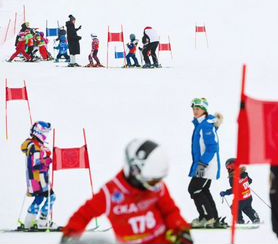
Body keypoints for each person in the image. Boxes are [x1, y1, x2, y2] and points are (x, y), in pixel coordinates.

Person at [62, 139, 193, 244]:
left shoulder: (157, 188)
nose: (157, 185)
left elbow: (170, 211)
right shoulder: (110, 193)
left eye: (158, 180)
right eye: (152, 181)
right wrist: (70, 235)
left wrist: (179, 230)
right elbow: (84, 214)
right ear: (136, 172)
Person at [188, 98, 225, 228]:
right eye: (193, 109)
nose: (195, 111)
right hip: (203, 165)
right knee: (202, 189)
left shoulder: (206, 125)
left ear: (204, 110)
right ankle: (211, 217)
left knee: (195, 189)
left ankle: (208, 218)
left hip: (207, 166)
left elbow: (212, 147)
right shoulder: (202, 124)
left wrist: (202, 164)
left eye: (197, 109)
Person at [20, 122, 57, 230]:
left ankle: (29, 222)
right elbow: (34, 164)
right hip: (38, 178)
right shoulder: (35, 147)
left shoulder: (36, 145)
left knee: (39, 198)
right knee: (52, 197)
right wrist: (47, 161)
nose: (46, 134)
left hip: (37, 178)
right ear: (39, 132)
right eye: (45, 132)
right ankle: (43, 220)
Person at [220, 158, 260, 224]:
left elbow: (234, 189)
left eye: (228, 167)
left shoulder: (234, 176)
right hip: (248, 197)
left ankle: (240, 221)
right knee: (247, 208)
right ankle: (255, 218)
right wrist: (244, 182)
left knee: (234, 208)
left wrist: (225, 192)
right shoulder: (243, 173)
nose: (228, 169)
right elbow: (250, 180)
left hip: (241, 198)